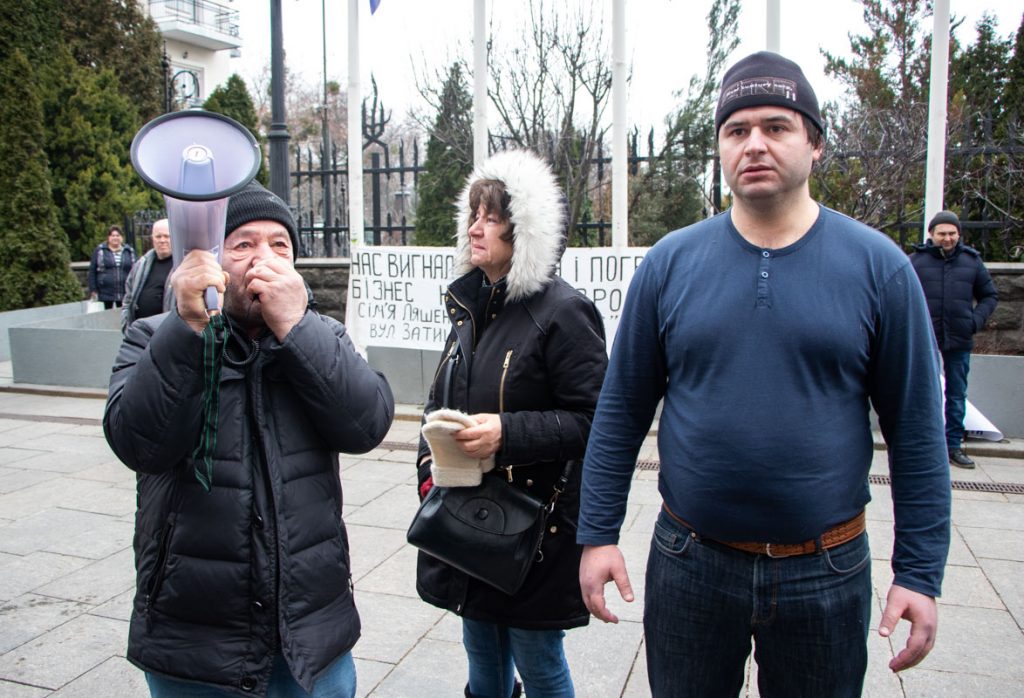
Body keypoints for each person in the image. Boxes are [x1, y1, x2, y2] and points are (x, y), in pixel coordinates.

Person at [577, 51, 951, 697]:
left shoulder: (880, 270)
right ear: (720, 147)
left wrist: (918, 572)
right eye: (736, 129)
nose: (754, 143)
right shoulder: (669, 265)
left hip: (826, 572)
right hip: (689, 563)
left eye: (776, 127)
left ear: (816, 144)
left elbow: (918, 433)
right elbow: (620, 411)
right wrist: (597, 535)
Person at [104, 181, 395, 697]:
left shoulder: (320, 335)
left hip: (308, 639)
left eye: (280, 246)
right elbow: (139, 444)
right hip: (194, 642)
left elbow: (367, 424)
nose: (265, 258)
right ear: (210, 259)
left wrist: (297, 329)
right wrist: (188, 328)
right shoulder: (155, 335)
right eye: (243, 245)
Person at [414, 150, 608, 698]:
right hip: (466, 519)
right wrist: (431, 463)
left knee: (538, 659)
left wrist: (507, 434)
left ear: (525, 228)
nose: (476, 228)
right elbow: (439, 402)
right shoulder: (472, 306)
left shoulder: (563, 312)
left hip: (534, 530)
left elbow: (596, 420)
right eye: (473, 215)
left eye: (492, 217)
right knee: (480, 649)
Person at [911, 210, 999, 469]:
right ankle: (926, 445)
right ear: (931, 235)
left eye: (952, 233)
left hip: (959, 338)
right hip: (925, 338)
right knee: (924, 392)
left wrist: (974, 321)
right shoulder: (915, 262)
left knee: (957, 394)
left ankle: (953, 446)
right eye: (942, 233)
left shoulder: (972, 262)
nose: (947, 238)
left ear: (959, 234)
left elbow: (989, 296)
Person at [121, 218, 175, 334]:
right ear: (152, 238)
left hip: (167, 335)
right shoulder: (141, 264)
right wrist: (126, 325)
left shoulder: (182, 266)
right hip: (140, 333)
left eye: (167, 236)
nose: (162, 240)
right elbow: (128, 298)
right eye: (158, 236)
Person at [88, 225, 137, 309]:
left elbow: (135, 270)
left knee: (123, 316)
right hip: (105, 292)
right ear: (108, 237)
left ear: (122, 238)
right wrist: (93, 289)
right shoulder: (100, 250)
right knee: (105, 317)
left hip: (124, 291)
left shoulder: (129, 251)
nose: (115, 238)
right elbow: (92, 270)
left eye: (117, 235)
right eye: (112, 235)